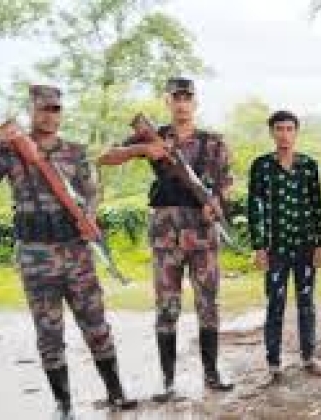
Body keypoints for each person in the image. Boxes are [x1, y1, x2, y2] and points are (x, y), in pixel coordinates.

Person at [0, 85, 137, 418]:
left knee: (96, 324)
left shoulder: (75, 152)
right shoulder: (10, 151)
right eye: (43, 109)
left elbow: (91, 191)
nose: (50, 115)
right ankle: (63, 405)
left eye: (56, 109)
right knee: (49, 332)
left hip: (76, 252)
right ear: (31, 110)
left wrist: (89, 216)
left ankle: (116, 392)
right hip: (35, 255)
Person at [97, 77, 234, 400]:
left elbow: (226, 182)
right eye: (176, 98)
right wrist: (143, 149)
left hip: (202, 232)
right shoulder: (154, 136)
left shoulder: (213, 142)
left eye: (187, 98)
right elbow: (105, 156)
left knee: (208, 304)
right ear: (168, 102)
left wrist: (216, 204)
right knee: (166, 307)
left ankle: (211, 374)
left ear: (195, 103)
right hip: (165, 233)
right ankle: (168, 382)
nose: (182, 104)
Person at [247, 110, 321, 383]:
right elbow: (255, 207)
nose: (284, 134)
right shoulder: (261, 166)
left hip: (305, 246)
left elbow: (318, 205)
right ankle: (273, 364)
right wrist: (259, 247)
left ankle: (309, 358)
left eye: (289, 129)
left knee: (306, 303)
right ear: (272, 132)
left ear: (296, 132)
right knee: (275, 303)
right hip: (275, 249)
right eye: (279, 129)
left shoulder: (308, 165)